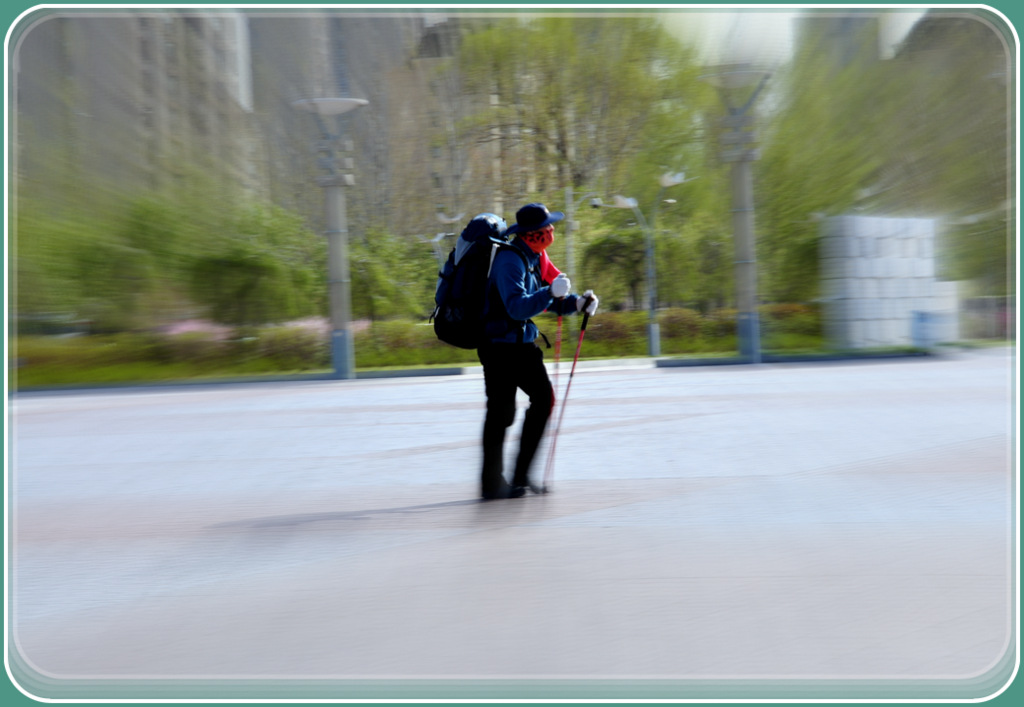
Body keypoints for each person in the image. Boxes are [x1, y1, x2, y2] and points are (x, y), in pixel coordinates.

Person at [477, 202, 599, 500]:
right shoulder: (510, 260)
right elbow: (518, 306)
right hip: (499, 348)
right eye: (547, 227)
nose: (552, 231)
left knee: (542, 401)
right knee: (502, 413)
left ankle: (519, 476)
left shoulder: (534, 256)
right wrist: (549, 292)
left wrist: (576, 304)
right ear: (531, 234)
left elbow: (549, 300)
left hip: (520, 345)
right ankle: (493, 483)